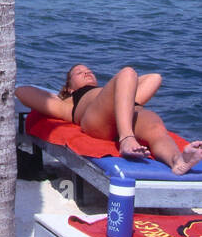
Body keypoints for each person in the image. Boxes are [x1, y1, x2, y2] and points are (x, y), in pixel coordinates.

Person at [16, 64, 202, 176]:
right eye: (79, 73)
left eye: (90, 71)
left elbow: (155, 78)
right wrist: (60, 97)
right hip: (96, 120)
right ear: (69, 87)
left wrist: (124, 92)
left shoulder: (117, 93)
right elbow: (21, 91)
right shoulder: (67, 104)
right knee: (128, 72)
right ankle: (126, 138)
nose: (87, 72)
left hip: (126, 113)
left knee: (155, 127)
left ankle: (177, 161)